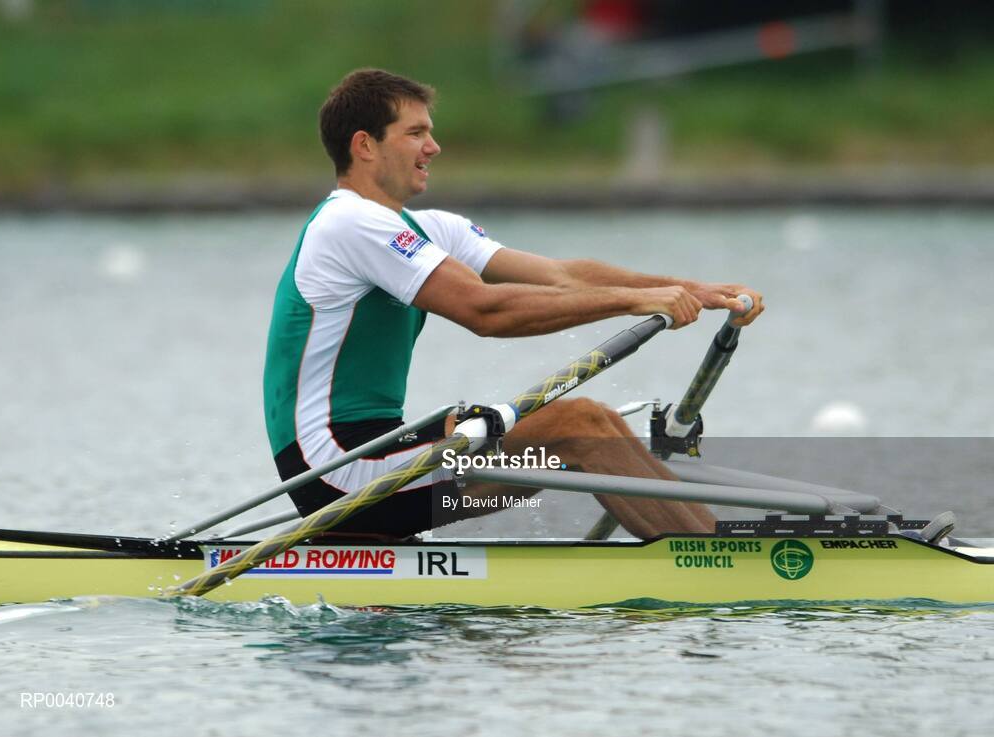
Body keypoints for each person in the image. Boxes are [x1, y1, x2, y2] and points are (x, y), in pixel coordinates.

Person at [263, 69, 764, 540]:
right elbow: (486, 312)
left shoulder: (430, 229)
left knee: (597, 426)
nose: (433, 147)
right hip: (338, 471)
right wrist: (635, 301)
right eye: (415, 133)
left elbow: (563, 275)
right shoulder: (349, 222)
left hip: (386, 448)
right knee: (578, 424)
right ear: (365, 145)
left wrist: (689, 288)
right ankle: (712, 559)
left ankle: (703, 548)